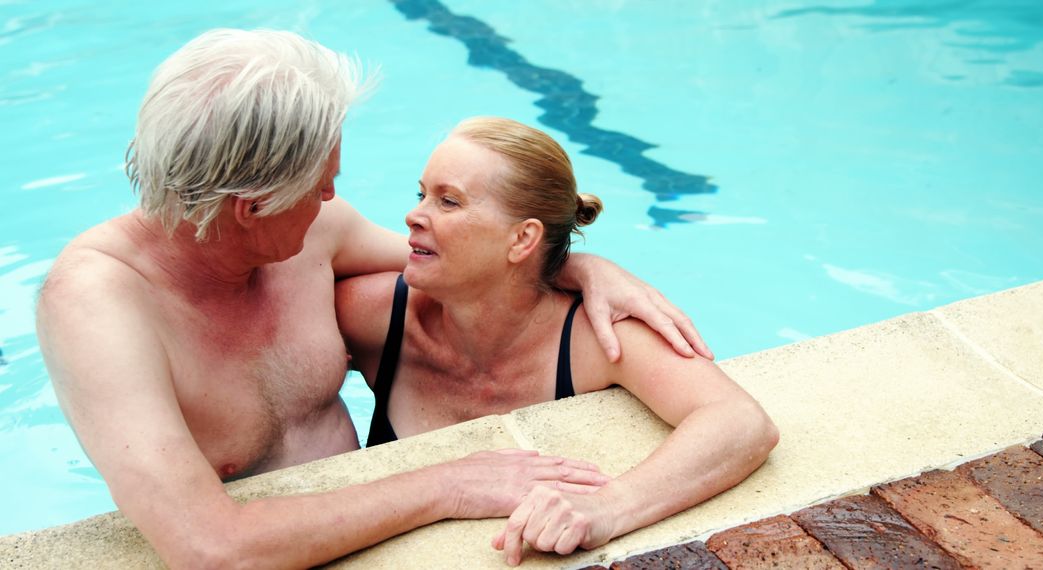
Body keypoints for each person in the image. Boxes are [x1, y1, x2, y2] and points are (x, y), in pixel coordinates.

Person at [34, 30, 714, 568]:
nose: (335, 198)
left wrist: (586, 267)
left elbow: (475, 262)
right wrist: (449, 485)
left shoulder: (309, 232)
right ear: (251, 207)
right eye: (321, 183)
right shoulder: (100, 307)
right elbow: (214, 549)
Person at [335, 117, 780, 565]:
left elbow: (740, 422)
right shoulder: (375, 315)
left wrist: (607, 507)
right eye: (422, 194)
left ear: (523, 238)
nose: (413, 215)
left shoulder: (594, 335)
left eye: (448, 201)